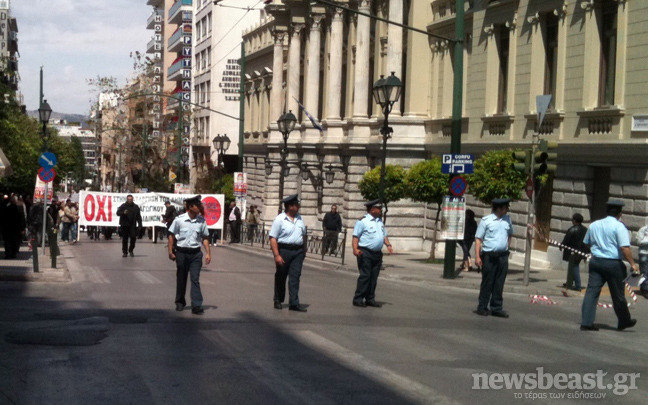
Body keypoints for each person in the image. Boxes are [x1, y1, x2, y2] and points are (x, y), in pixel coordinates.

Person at [581, 200, 638, 331]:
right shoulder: (619, 227)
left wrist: (596, 250)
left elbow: (586, 242)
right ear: (620, 213)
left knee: (591, 292)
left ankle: (586, 322)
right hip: (613, 264)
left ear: (607, 211)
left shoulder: (594, 225)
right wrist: (633, 264)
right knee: (618, 294)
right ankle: (624, 320)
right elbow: (624, 248)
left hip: (596, 262)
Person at [168, 195, 211, 315]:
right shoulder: (179, 220)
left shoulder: (201, 221)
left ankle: (196, 305)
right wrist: (170, 252)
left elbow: (205, 237)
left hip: (196, 254)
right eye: (197, 205)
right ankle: (180, 302)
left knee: (195, 279)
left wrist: (208, 253)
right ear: (190, 207)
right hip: (182, 253)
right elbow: (171, 235)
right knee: (181, 278)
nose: (199, 207)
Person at [474, 198, 514, 318]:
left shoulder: (507, 220)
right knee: (488, 282)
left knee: (499, 283)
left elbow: (510, 235)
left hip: (502, 256)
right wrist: (477, 257)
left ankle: (496, 307)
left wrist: (507, 248)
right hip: (489, 256)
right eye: (506, 207)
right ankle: (482, 307)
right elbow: (478, 239)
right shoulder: (486, 221)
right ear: (499, 208)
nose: (507, 209)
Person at [269, 194, 307, 312]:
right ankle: (278, 300)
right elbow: (273, 238)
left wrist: (304, 250)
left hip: (297, 252)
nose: (298, 206)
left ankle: (294, 303)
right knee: (281, 276)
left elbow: (304, 235)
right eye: (297, 205)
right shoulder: (279, 219)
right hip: (284, 250)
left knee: (295, 277)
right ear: (290, 206)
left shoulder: (300, 218)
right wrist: (277, 255)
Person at [352, 199, 393, 308]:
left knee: (374, 277)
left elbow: (384, 235)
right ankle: (358, 298)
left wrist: (388, 245)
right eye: (378, 208)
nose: (380, 210)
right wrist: (355, 249)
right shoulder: (362, 221)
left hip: (377, 254)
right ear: (372, 209)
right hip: (365, 252)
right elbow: (356, 236)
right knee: (365, 276)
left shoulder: (379, 222)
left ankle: (370, 298)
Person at [560, 213, 588, 291]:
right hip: (581, 251)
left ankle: (578, 285)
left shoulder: (572, 229)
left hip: (572, 252)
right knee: (573, 266)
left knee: (574, 267)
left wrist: (561, 245)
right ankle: (569, 282)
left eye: (572, 219)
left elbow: (566, 240)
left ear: (575, 220)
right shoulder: (585, 229)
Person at [636, 221, 648, 299]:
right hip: (644, 253)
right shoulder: (643, 230)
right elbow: (638, 242)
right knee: (645, 272)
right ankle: (644, 289)